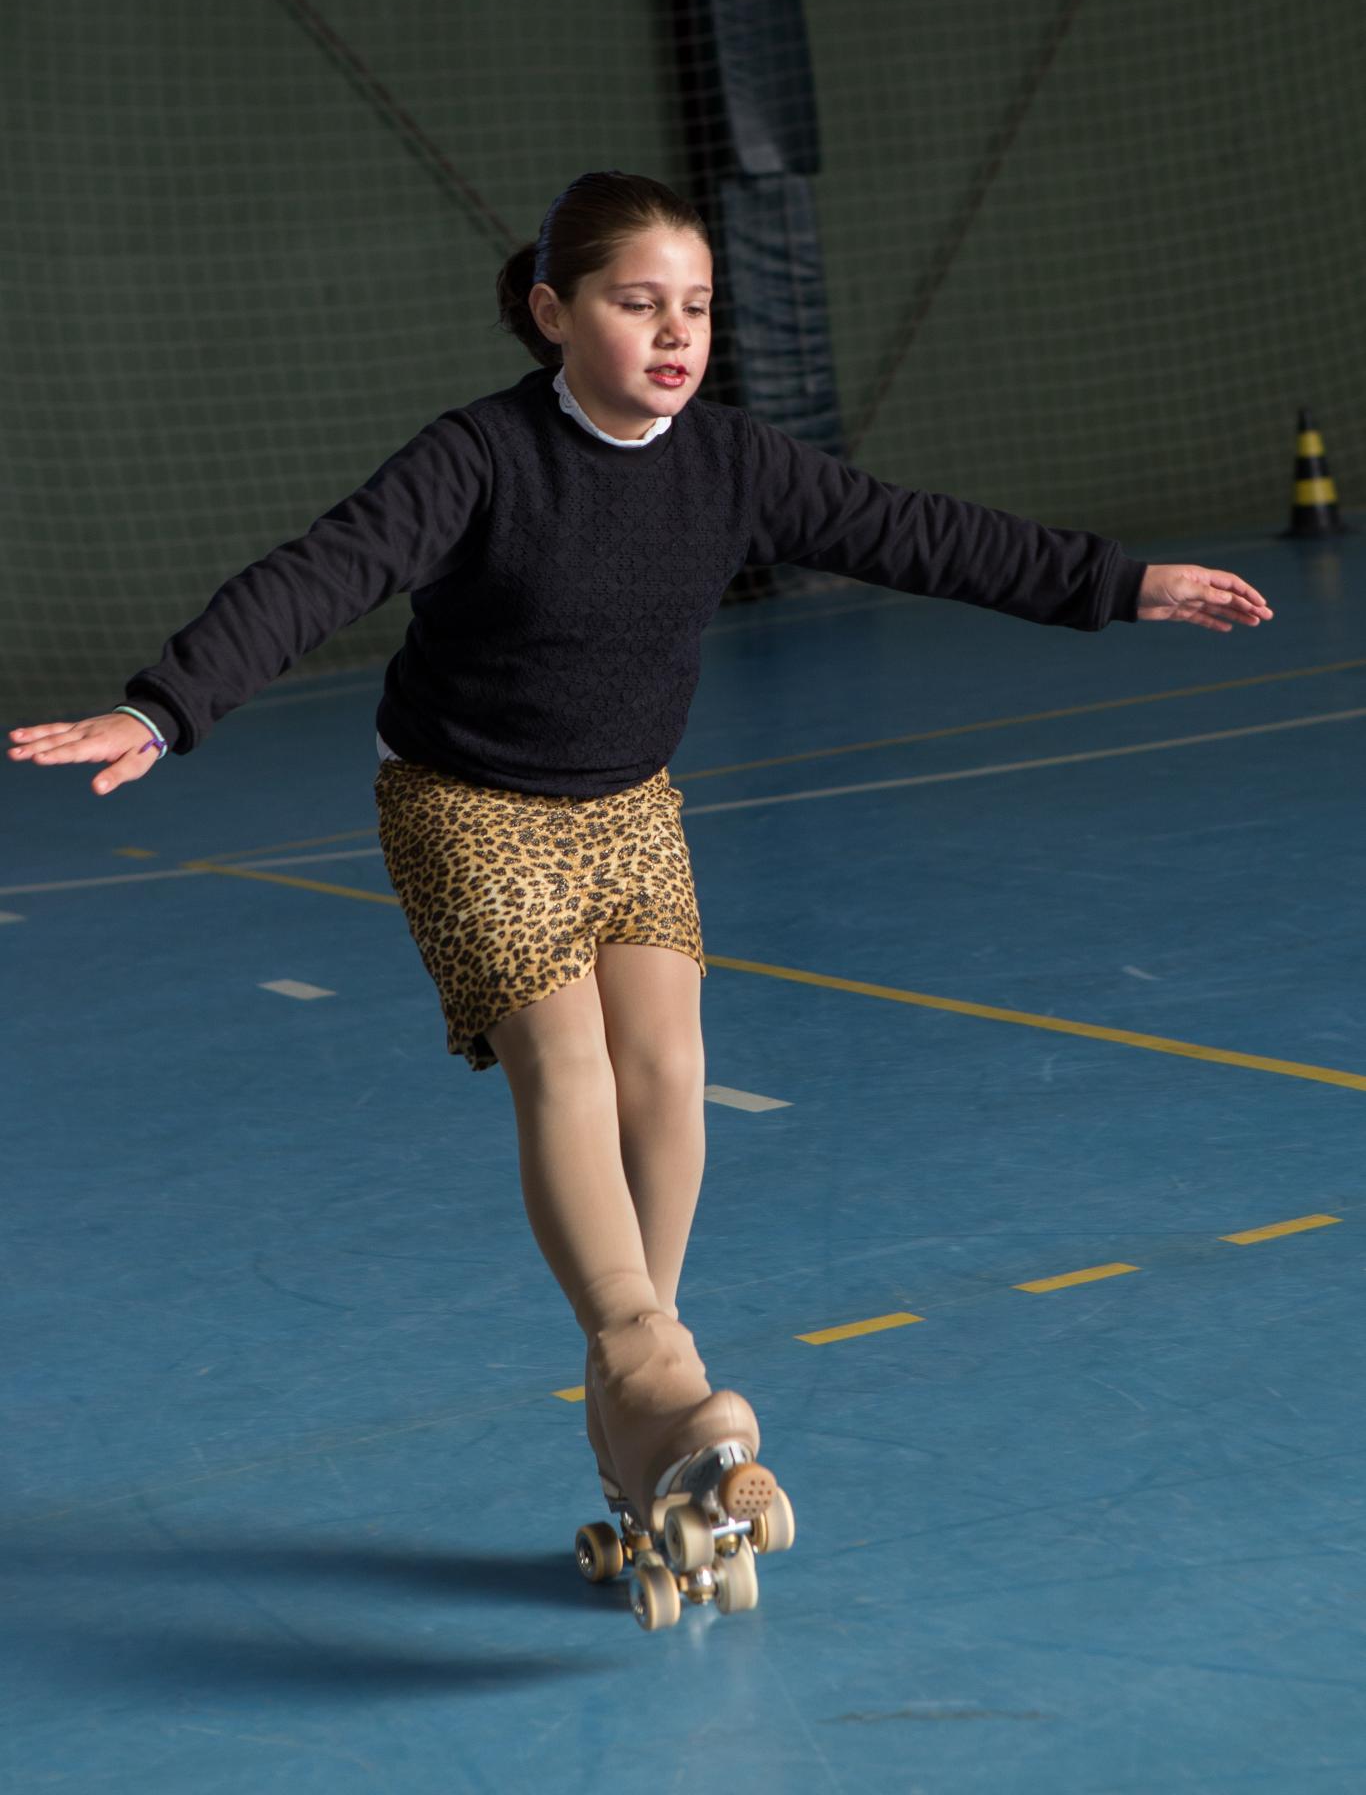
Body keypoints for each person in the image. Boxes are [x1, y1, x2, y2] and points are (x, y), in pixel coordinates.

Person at [7, 170, 1273, 1620]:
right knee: (566, 1064)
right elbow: (320, 575)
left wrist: (1121, 583)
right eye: (637, 303)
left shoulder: (729, 462)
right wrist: (165, 706)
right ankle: (649, 1362)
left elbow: (920, 532)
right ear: (553, 313)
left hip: (625, 803)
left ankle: (638, 1412)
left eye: (698, 307)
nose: (675, 333)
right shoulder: (479, 459)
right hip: (465, 801)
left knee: (666, 1066)